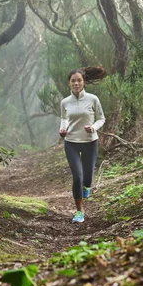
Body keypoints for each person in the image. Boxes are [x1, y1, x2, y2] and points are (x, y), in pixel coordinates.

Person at [59, 66, 107, 223]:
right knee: (77, 177)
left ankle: (87, 186)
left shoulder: (93, 99)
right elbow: (64, 118)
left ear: (84, 82)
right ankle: (79, 211)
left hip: (90, 142)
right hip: (71, 142)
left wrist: (93, 127)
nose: (76, 83)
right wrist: (63, 128)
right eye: (73, 81)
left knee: (87, 178)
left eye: (79, 80)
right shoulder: (65, 102)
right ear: (69, 83)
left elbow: (101, 118)